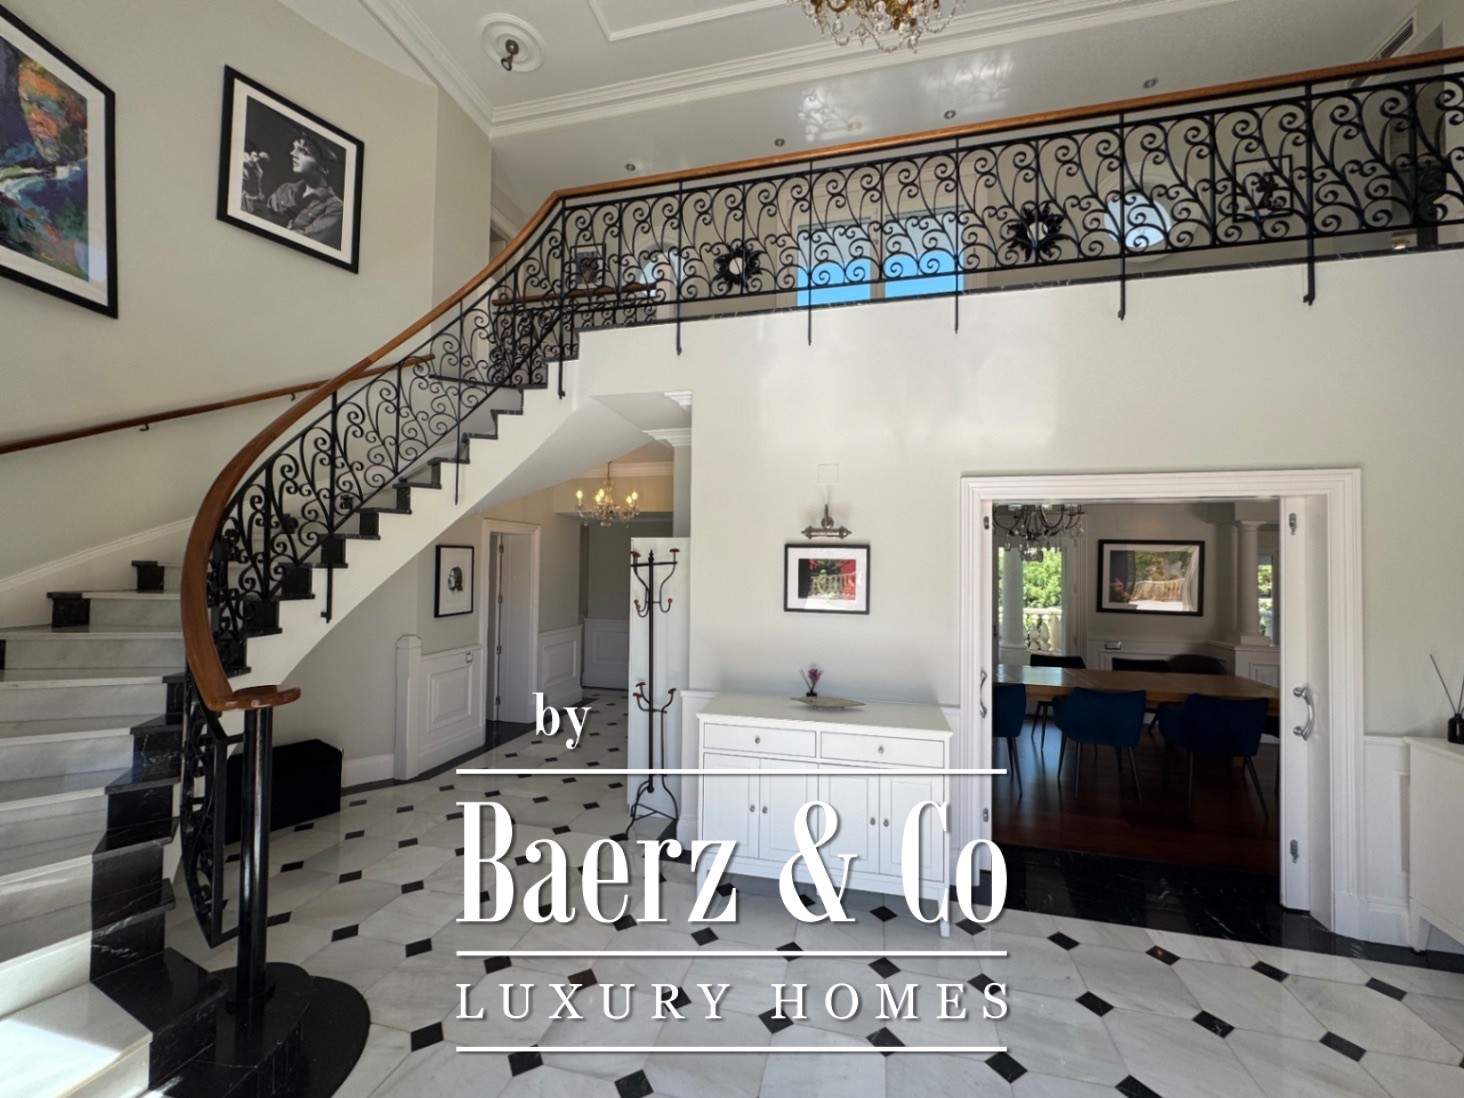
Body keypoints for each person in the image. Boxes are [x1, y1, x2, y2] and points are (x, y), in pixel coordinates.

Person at [240, 131, 344, 249]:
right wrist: (253, 183)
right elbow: (256, 219)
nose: (293, 153)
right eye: (294, 148)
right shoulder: (286, 189)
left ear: (324, 168)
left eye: (304, 152)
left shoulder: (335, 208)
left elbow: (298, 244)